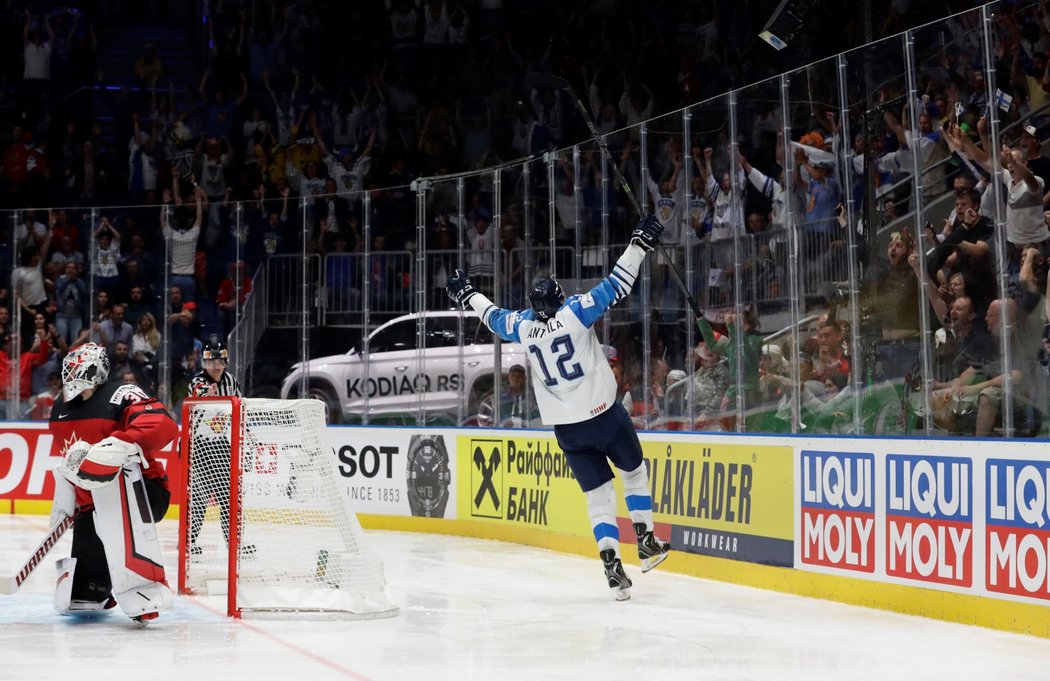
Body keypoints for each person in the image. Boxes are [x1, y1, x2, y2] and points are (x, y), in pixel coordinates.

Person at [446, 213, 670, 601]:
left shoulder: (524, 326)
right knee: (634, 474)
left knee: (598, 497)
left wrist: (467, 294)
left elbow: (493, 315)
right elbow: (618, 284)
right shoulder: (574, 313)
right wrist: (638, 245)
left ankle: (611, 562)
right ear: (560, 299)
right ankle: (646, 541)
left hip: (567, 430)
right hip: (604, 415)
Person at [48, 342, 177, 625]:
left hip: (142, 489)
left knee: (112, 514)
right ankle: (92, 591)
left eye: (84, 384)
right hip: (95, 497)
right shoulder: (59, 409)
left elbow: (162, 424)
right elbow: (71, 461)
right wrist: (66, 501)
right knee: (90, 523)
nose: (78, 392)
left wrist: (120, 443)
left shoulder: (122, 394)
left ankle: (143, 589)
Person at [185, 334, 251, 556]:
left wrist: (247, 437)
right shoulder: (197, 381)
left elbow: (240, 410)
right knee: (199, 499)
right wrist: (206, 394)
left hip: (223, 447)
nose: (216, 365)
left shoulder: (231, 382)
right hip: (201, 448)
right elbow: (196, 394)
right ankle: (188, 541)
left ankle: (235, 544)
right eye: (212, 361)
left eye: (220, 360)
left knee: (229, 499)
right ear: (204, 361)